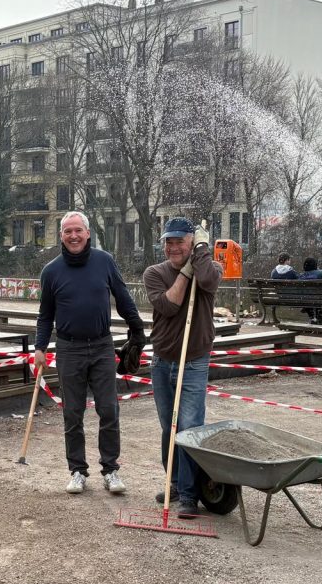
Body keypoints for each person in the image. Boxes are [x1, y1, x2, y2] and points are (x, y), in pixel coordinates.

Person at [33, 211, 147, 496]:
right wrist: (39, 348)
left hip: (101, 346)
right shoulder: (51, 271)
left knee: (109, 409)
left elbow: (123, 297)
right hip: (68, 348)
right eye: (67, 231)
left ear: (87, 233)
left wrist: (137, 329)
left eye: (78, 230)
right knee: (72, 412)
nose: (73, 236)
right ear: (62, 236)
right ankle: (77, 471)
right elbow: (45, 315)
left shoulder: (104, 261)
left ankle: (110, 470)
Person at [143, 217, 223, 518]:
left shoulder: (210, 268)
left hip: (194, 361)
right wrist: (185, 273)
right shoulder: (154, 273)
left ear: (192, 242)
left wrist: (201, 252)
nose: (173, 247)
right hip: (163, 361)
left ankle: (190, 494)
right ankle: (174, 483)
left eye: (180, 241)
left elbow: (209, 282)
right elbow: (169, 305)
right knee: (170, 427)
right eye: (169, 241)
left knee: (189, 427)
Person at [299, 257, 322, 324]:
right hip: (321, 298)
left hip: (305, 300)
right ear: (315, 265)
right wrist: (319, 271)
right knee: (321, 296)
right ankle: (319, 319)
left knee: (313, 298)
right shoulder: (320, 273)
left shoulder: (301, 276)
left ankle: (314, 319)